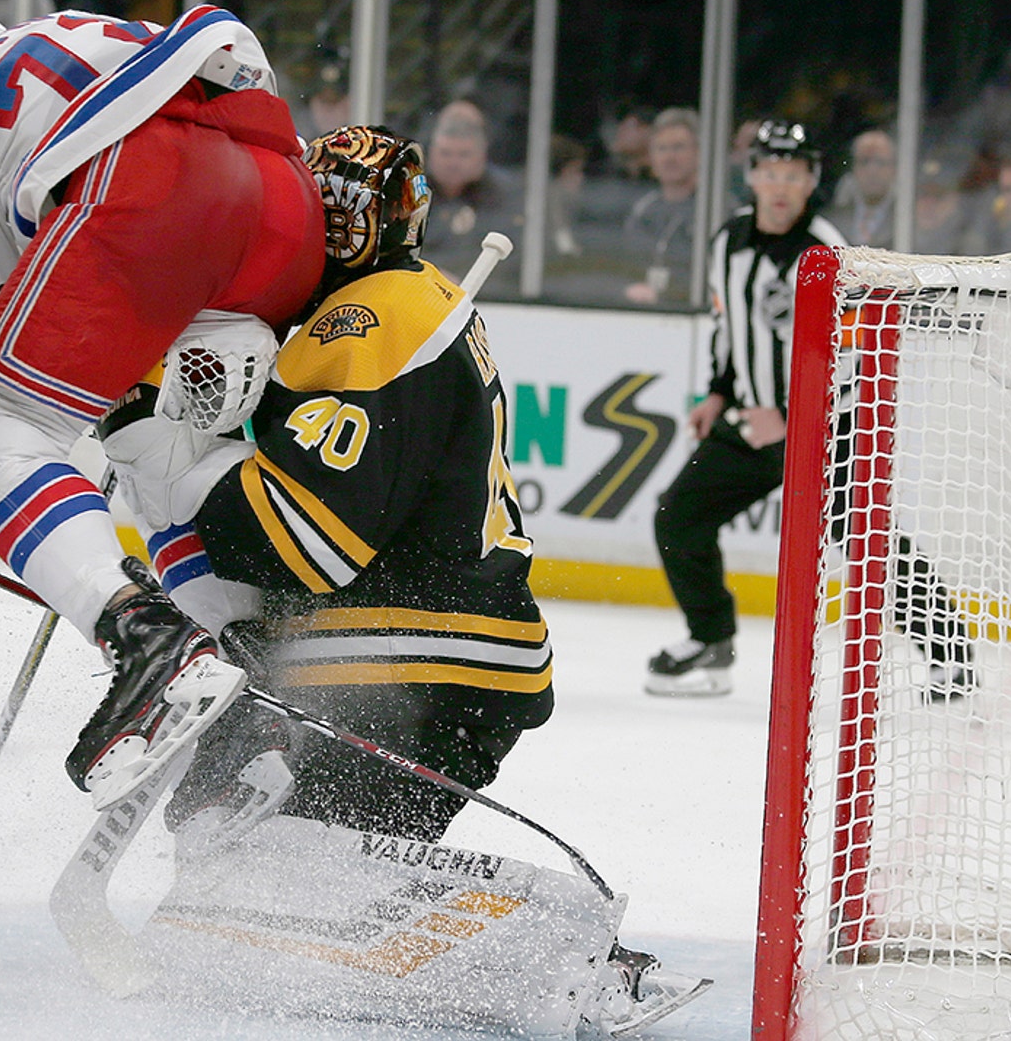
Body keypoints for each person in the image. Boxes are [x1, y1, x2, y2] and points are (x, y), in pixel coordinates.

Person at [94, 123, 706, 1035]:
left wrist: (167, 457)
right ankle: (577, 964)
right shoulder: (398, 300)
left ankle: (569, 958)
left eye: (341, 212)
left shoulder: (371, 314)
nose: (325, 231)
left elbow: (305, 541)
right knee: (261, 886)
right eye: (320, 210)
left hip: (404, 658)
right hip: (454, 656)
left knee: (227, 856)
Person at [0, 7, 324, 804]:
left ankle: (147, 640)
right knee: (157, 438)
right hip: (284, 205)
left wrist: (48, 447)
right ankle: (259, 663)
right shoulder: (76, 28)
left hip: (156, 194)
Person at [647, 120, 973, 698]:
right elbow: (731, 327)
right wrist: (719, 392)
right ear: (751, 177)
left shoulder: (829, 251)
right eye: (769, 173)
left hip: (825, 426)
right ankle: (710, 639)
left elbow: (847, 351)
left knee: (864, 536)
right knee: (679, 519)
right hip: (753, 423)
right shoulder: (728, 241)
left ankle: (951, 656)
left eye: (792, 175)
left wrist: (795, 413)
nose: (779, 186)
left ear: (810, 180)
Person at [422, 98, 523, 297]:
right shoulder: (409, 192)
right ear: (431, 153)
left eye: (463, 154)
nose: (453, 163)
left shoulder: (505, 195)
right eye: (445, 153)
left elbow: (514, 256)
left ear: (481, 155)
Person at [621, 107, 699, 305]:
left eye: (679, 147)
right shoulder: (642, 209)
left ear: (698, 153)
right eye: (662, 148)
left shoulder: (716, 209)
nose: (669, 157)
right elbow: (625, 266)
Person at [828, 127, 895, 249]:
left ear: (894, 168)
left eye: (880, 162)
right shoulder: (831, 220)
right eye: (865, 161)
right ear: (853, 167)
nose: (872, 171)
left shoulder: (908, 221)